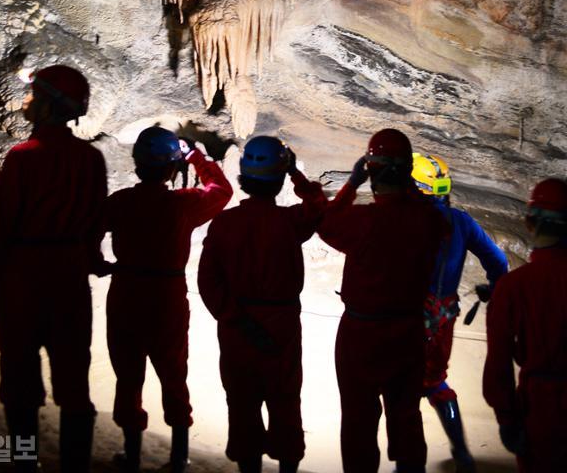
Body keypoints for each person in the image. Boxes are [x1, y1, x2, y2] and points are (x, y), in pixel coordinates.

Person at [0, 64, 107, 472]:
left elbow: (3, 222)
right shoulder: (91, 159)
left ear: (50, 106)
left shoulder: (23, 157)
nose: (26, 100)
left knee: (19, 378)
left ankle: (25, 463)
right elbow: (95, 220)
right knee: (73, 378)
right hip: (69, 275)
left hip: (24, 273)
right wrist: (93, 260)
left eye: (35, 95)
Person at [318, 128, 449, 473]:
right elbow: (434, 217)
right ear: (407, 172)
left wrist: (352, 183)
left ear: (371, 170)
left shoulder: (361, 221)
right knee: (405, 416)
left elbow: (326, 223)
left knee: (358, 420)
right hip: (406, 332)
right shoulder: (429, 220)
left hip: (360, 333)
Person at [105, 126, 232, 473]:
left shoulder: (121, 202)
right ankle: (179, 456)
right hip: (166, 297)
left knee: (128, 375)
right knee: (173, 373)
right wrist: (196, 156)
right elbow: (222, 190)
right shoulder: (182, 204)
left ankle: (131, 455)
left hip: (127, 293)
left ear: (136, 164)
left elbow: (87, 226)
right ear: (172, 169)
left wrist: (95, 262)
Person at [197, 135, 327, 473]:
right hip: (281, 326)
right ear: (280, 178)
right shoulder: (289, 223)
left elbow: (208, 282)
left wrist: (235, 319)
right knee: (285, 404)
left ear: (242, 177)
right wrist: (296, 173)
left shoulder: (224, 224)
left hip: (237, 329)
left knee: (242, 406)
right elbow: (319, 207)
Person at [411, 152, 508, 472]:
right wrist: (493, 287)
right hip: (443, 317)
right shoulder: (461, 223)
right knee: (436, 382)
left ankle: (408, 462)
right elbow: (497, 261)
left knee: (402, 388)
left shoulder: (404, 220)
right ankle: (462, 452)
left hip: (408, 317)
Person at [483, 177, 567, 472]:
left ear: (530, 223)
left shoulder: (514, 287)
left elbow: (498, 364)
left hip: (539, 410)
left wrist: (506, 418)